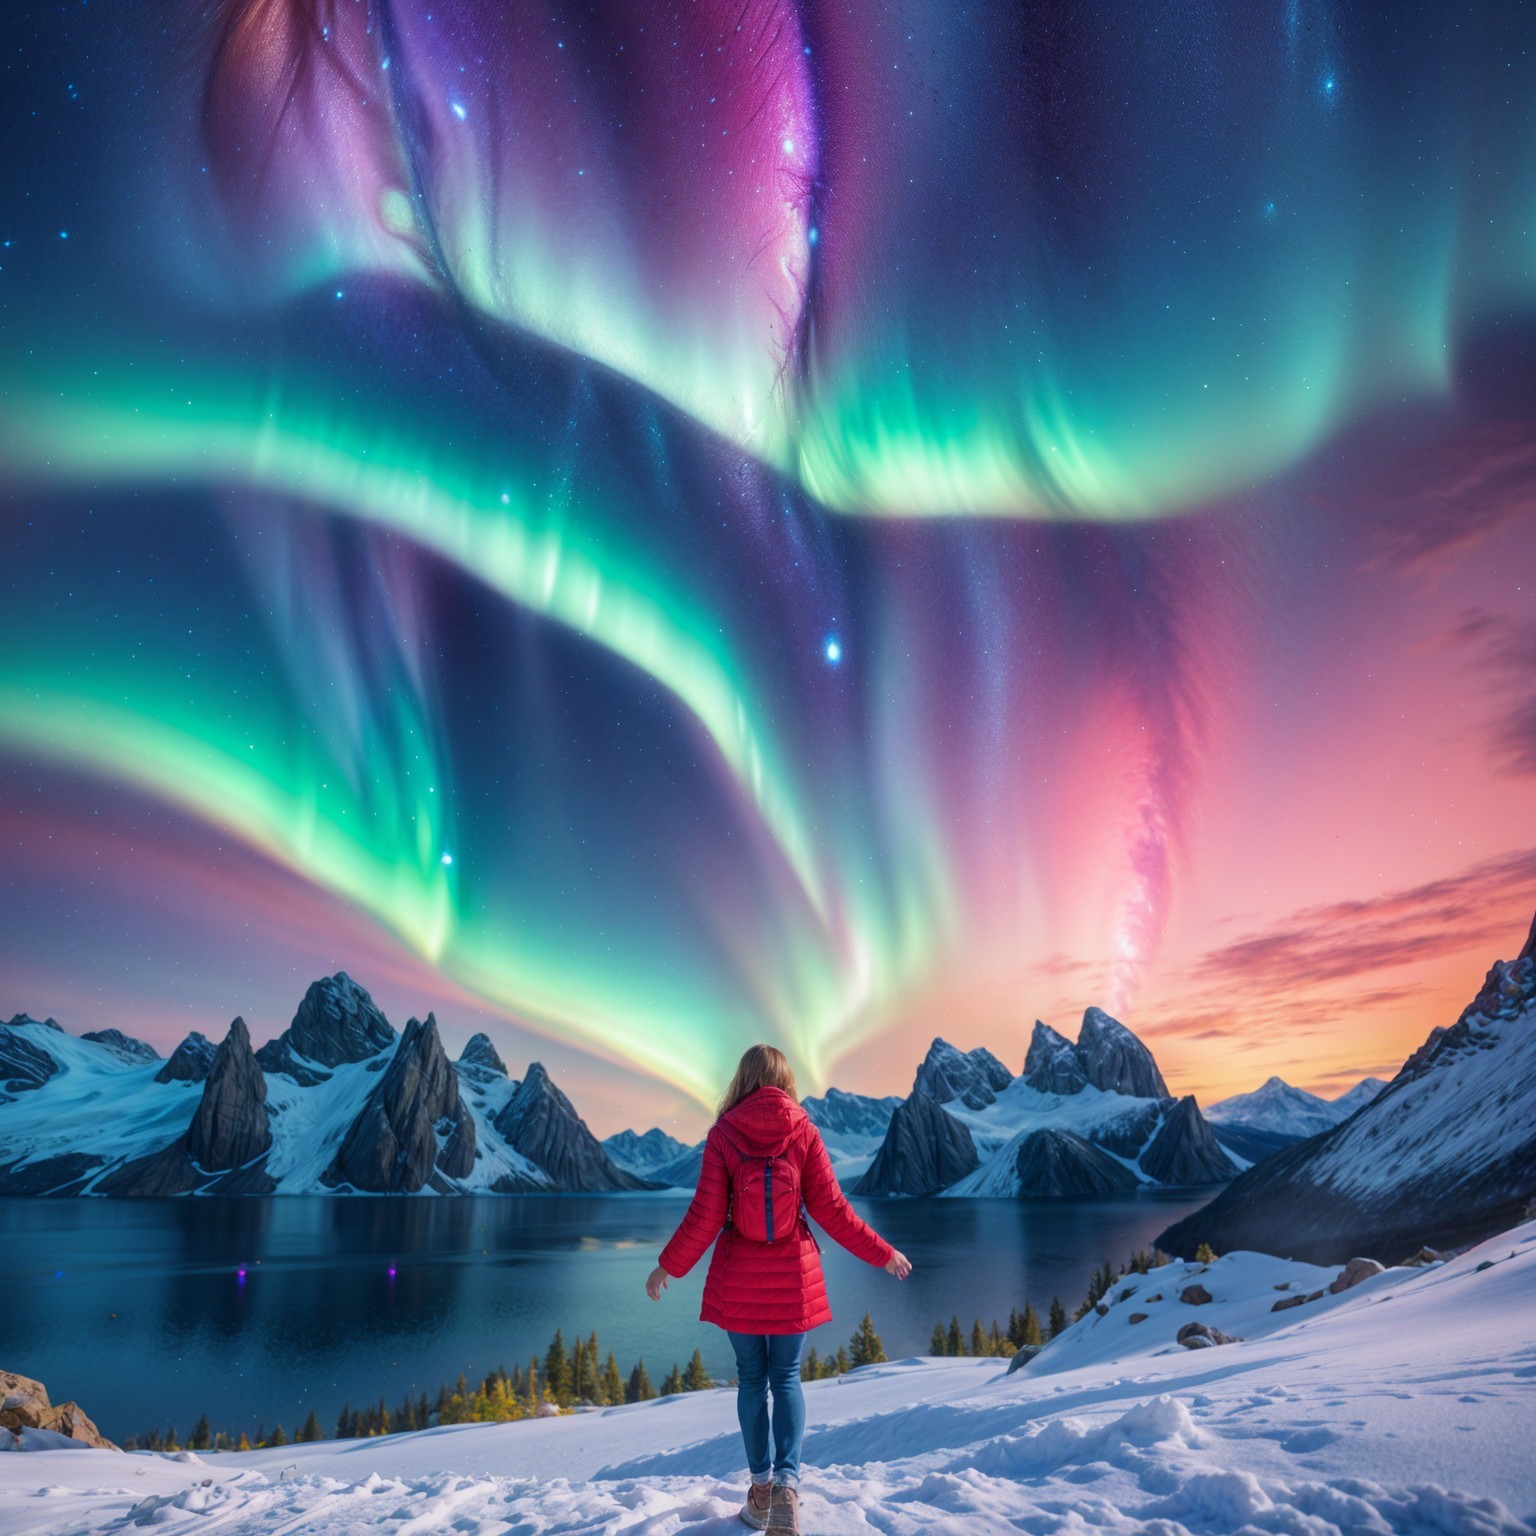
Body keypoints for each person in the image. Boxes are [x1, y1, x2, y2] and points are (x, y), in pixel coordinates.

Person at [646, 1044, 912, 1535]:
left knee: (751, 1379)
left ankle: (762, 1490)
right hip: (794, 1278)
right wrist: (884, 1253)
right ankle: (789, 1488)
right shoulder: (804, 1131)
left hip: (739, 1281)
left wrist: (668, 1266)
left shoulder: (723, 1134)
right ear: (786, 1081)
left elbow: (705, 1217)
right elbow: (834, 1211)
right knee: (786, 1377)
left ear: (742, 1080)